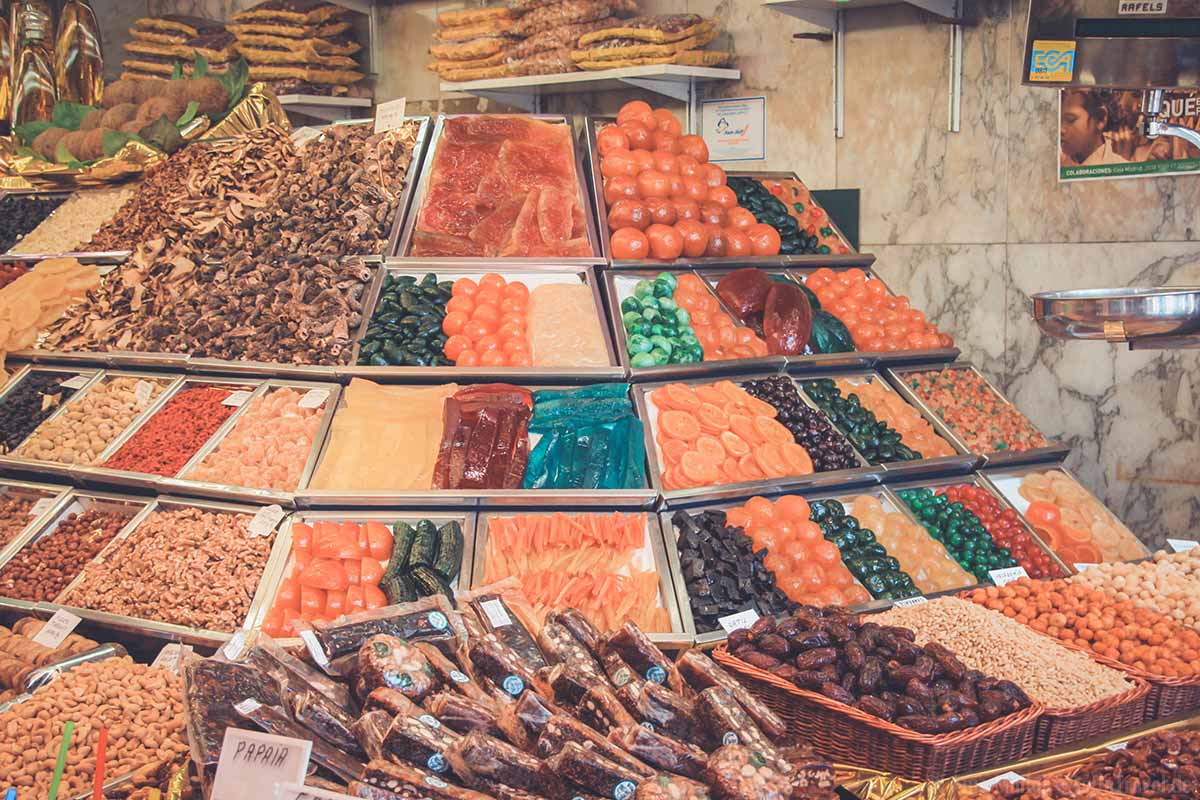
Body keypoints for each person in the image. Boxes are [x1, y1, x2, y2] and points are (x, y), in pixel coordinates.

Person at [1060, 89, 1129, 167]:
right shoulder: (1054, 162)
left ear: (1100, 119)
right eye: (1058, 120)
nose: (1060, 129)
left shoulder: (1123, 169)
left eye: (1070, 120)